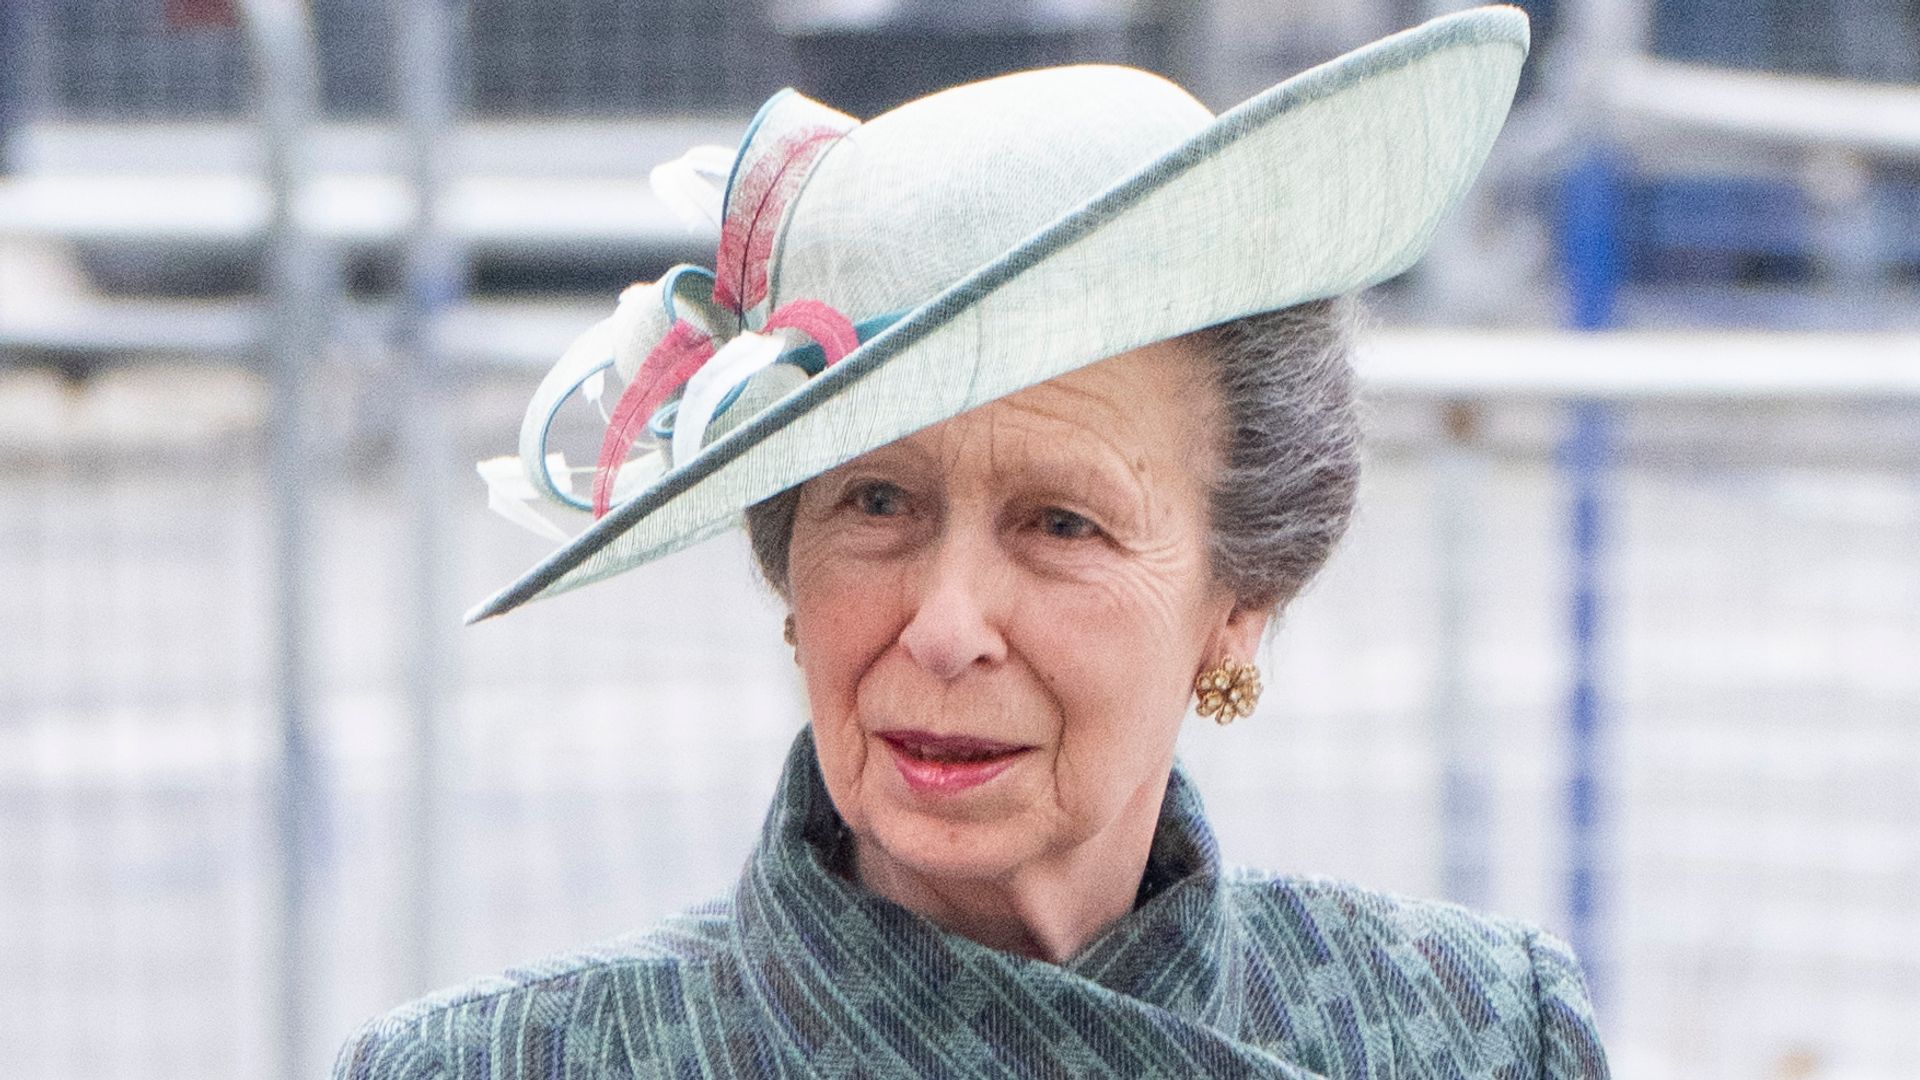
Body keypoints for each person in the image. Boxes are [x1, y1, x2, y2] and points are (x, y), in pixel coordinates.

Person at [336, 7, 1610, 1077]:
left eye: (1061, 523)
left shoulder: (1468, 1036)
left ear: (1243, 592)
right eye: (876, 504)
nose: (944, 629)